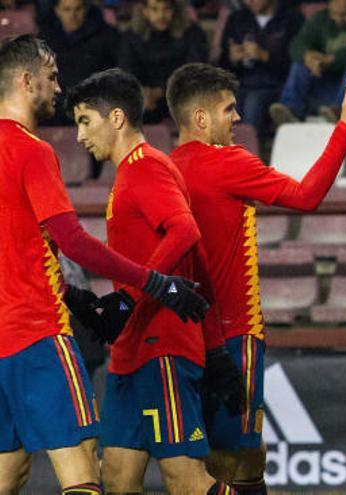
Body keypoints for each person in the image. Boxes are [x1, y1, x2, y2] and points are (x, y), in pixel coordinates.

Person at [0, 35, 207, 495]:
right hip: (38, 335)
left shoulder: (141, 167)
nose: (58, 88)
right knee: (83, 471)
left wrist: (81, 296)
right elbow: (72, 241)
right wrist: (152, 283)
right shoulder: (33, 151)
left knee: (9, 472)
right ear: (26, 80)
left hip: (3, 340)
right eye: (52, 78)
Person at [165, 62, 346, 494]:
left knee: (233, 451)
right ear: (201, 118)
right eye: (229, 109)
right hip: (233, 333)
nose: (238, 118)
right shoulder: (227, 162)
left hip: (178, 337)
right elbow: (306, 195)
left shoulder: (161, 169)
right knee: (227, 455)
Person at [65, 68, 239, 495]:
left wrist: (128, 301)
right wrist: (214, 346)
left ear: (118, 118)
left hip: (160, 345)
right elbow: (193, 260)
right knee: (119, 477)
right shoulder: (132, 172)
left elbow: (186, 233)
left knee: (187, 480)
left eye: (86, 121)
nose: (80, 136)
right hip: (131, 350)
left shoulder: (146, 168)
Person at [270, 0, 346, 124]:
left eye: (345, 15)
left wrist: (332, 60)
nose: (338, 19)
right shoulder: (321, 17)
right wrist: (308, 56)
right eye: (334, 14)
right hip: (324, 82)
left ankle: (340, 111)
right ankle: (291, 109)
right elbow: (297, 44)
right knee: (300, 65)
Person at [218, 0, 303, 135]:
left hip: (276, 86)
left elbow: (297, 66)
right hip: (241, 83)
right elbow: (221, 66)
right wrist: (232, 59)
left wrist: (265, 56)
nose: (248, 2)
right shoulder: (237, 18)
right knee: (229, 103)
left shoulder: (292, 19)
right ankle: (232, 154)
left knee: (253, 101)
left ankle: (248, 152)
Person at [118, 0, 208, 123]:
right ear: (145, 11)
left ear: (175, 10)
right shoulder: (130, 36)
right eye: (155, 9)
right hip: (145, 98)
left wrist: (161, 91)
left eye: (167, 9)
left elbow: (194, 73)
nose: (161, 15)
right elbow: (127, 72)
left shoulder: (193, 33)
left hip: (181, 96)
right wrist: (142, 93)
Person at [38, 0, 118, 126]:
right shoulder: (44, 39)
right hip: (57, 110)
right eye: (67, 10)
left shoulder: (107, 36)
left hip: (96, 108)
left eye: (78, 9)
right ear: (57, 11)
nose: (72, 15)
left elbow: (116, 75)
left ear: (86, 9)